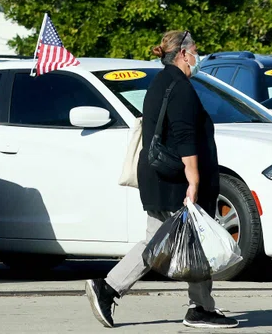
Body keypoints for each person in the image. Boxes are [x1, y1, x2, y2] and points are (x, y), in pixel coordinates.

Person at [85, 30, 238, 329]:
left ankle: (198, 306)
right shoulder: (179, 87)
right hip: (175, 181)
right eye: (195, 50)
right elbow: (184, 139)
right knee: (178, 240)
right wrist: (194, 182)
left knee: (169, 240)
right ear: (182, 53)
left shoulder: (162, 82)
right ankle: (113, 289)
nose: (198, 56)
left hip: (161, 176)